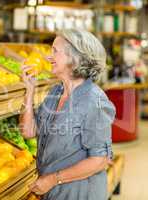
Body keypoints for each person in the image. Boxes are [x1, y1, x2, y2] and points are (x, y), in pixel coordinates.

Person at [19, 29, 116, 200]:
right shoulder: (55, 92)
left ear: (74, 58)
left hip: (79, 193)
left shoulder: (94, 101)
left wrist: (53, 179)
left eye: (55, 51)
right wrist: (29, 91)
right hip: (53, 192)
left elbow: (100, 160)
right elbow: (28, 132)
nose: (49, 57)